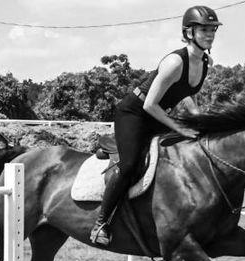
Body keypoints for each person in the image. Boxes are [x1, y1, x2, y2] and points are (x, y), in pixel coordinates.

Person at [90, 5, 222, 246]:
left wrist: (198, 118)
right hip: (134, 113)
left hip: (158, 115)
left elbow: (185, 91)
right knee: (129, 165)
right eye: (204, 29)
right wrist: (180, 127)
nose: (210, 34)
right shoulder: (174, 62)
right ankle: (101, 223)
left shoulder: (205, 61)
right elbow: (150, 104)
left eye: (213, 29)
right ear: (189, 32)